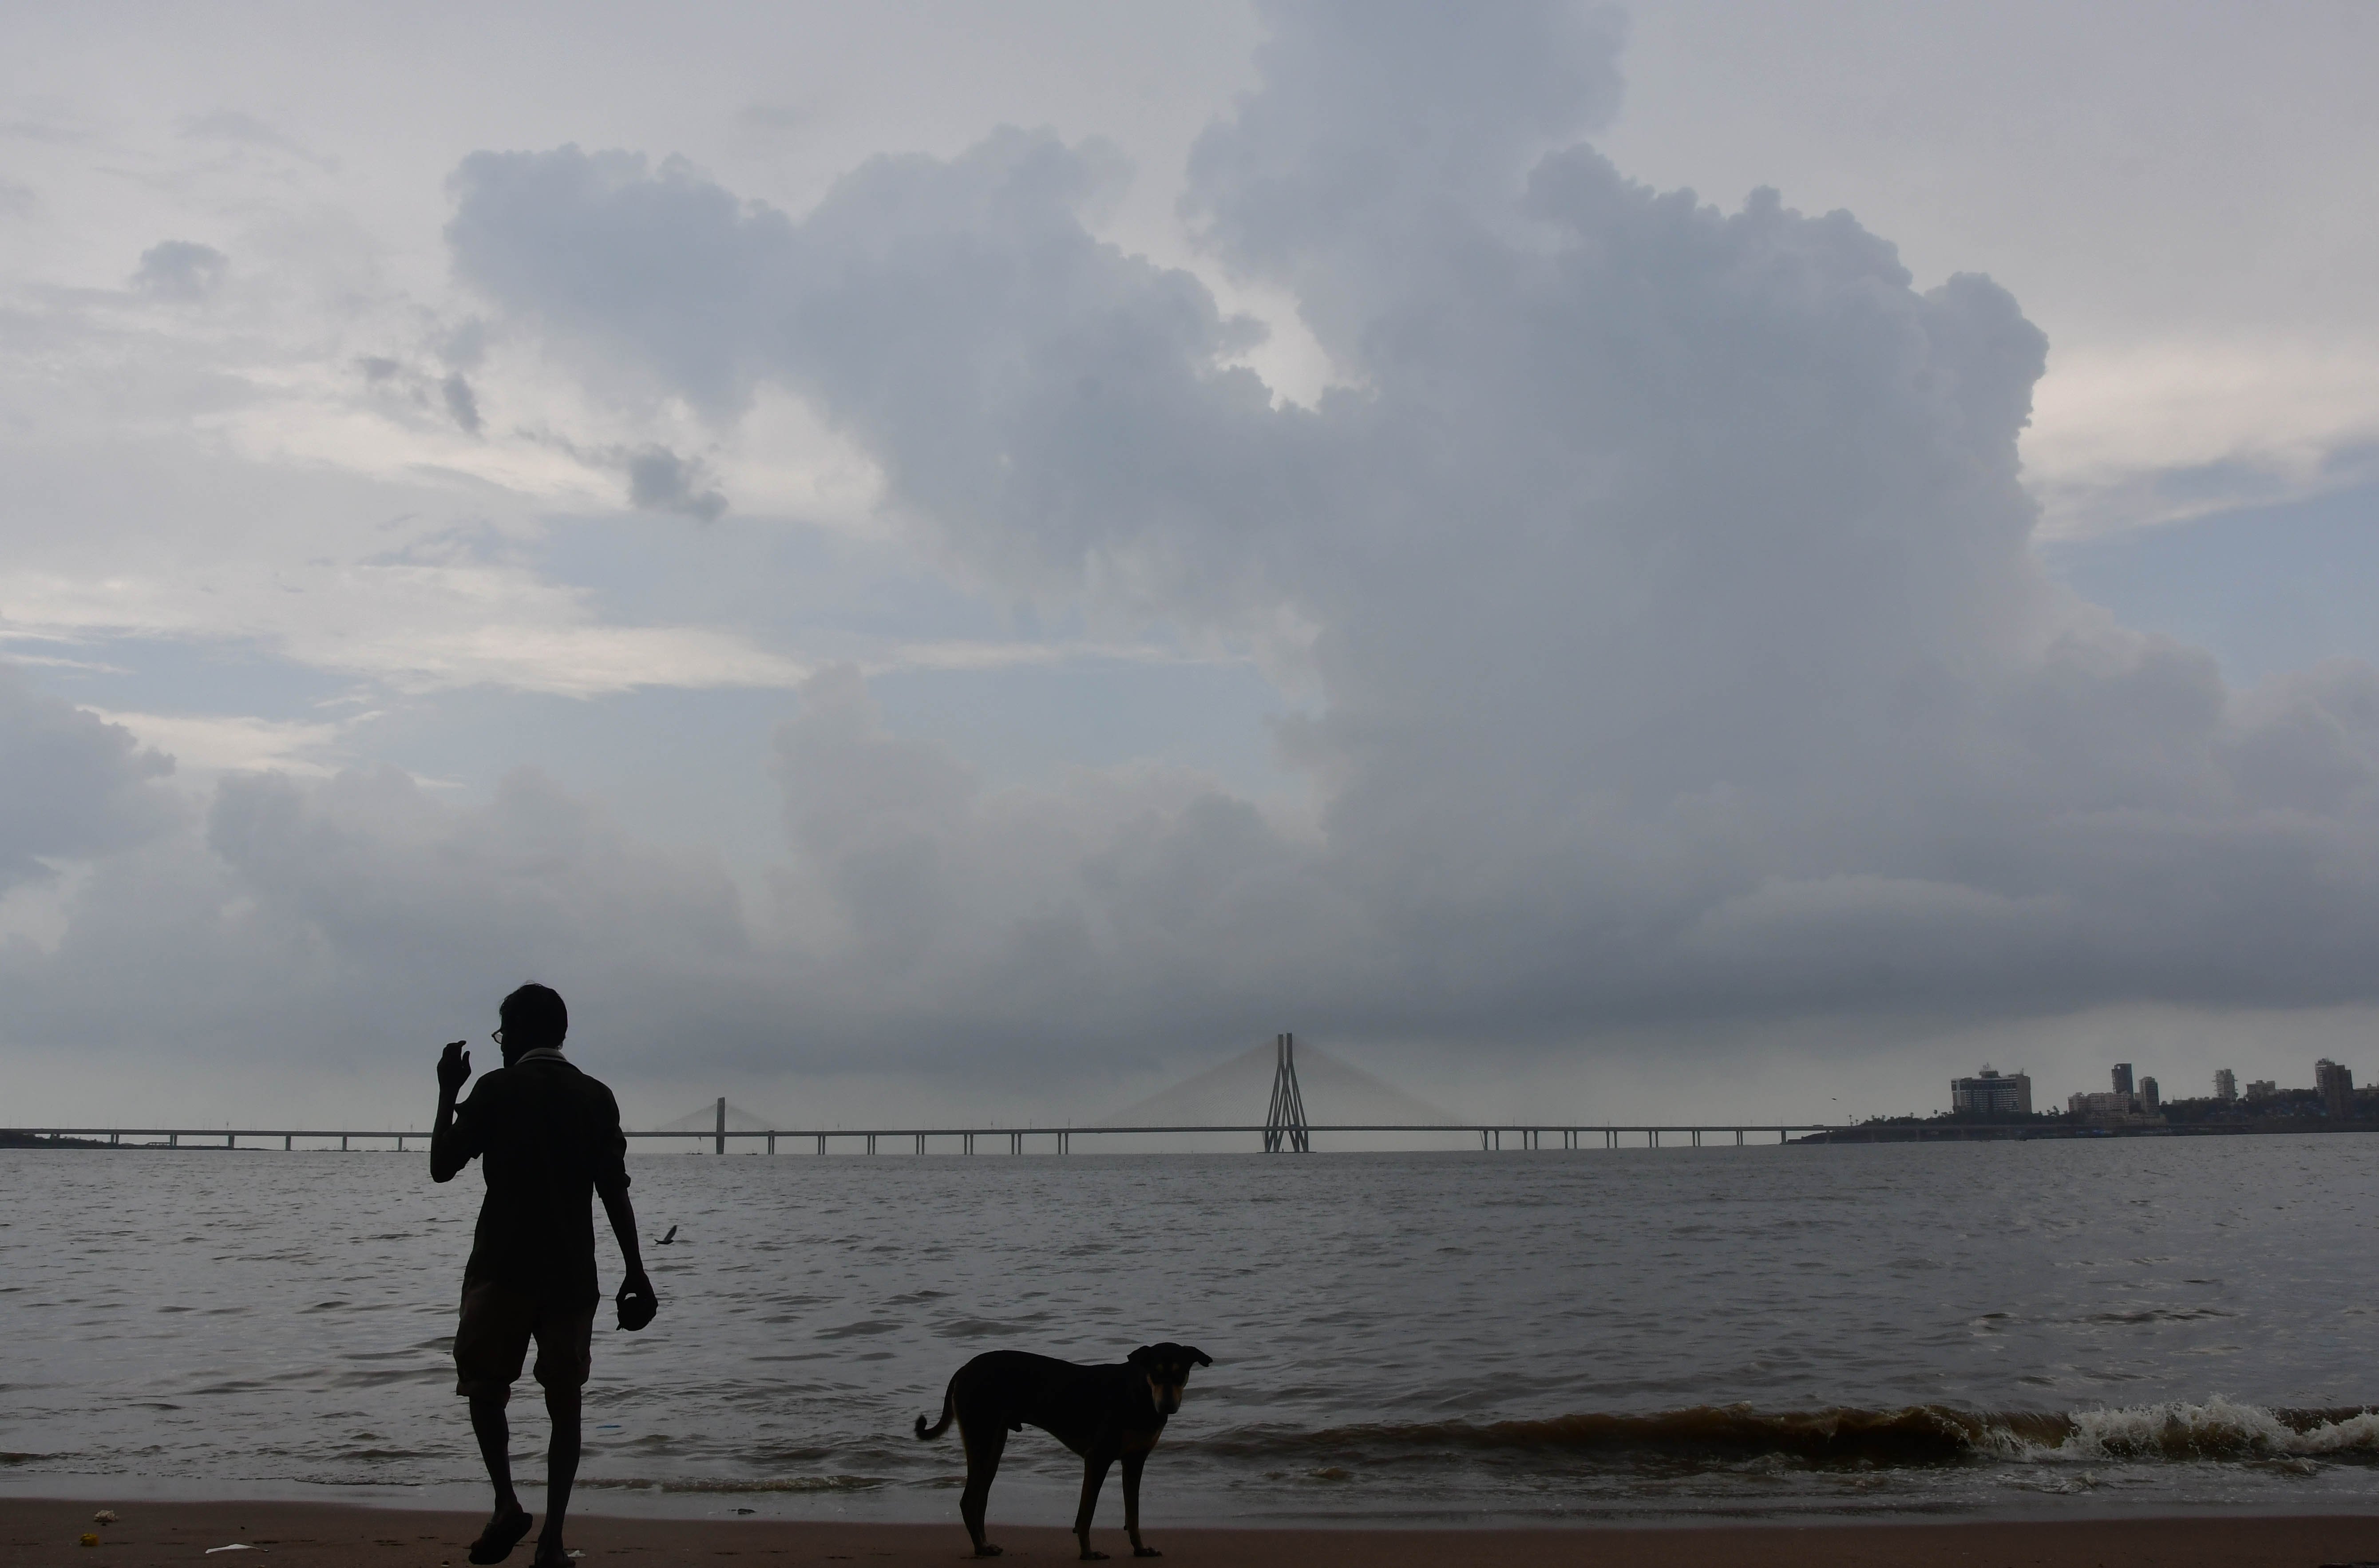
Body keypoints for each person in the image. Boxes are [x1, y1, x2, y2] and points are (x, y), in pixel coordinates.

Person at [431, 983, 658, 1567]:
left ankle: (507, 1503)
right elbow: (614, 1190)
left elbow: (441, 1166)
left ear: (523, 1031)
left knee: (486, 1389)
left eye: (504, 1031)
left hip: (501, 1268)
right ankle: (552, 1541)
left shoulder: (495, 1090)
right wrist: (636, 1270)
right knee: (566, 1404)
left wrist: (446, 1092)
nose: (502, 1043)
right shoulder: (595, 1097)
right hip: (571, 1276)